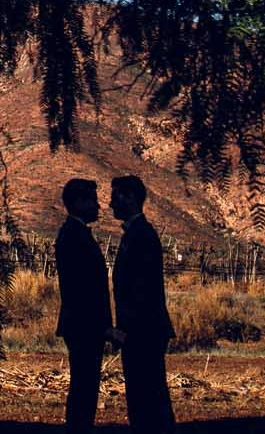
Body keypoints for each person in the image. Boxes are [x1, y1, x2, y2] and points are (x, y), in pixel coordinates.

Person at [108, 174, 175, 432]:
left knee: (147, 396)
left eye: (116, 197)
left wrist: (127, 329)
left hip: (142, 331)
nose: (111, 204)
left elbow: (141, 291)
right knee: (147, 395)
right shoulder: (137, 234)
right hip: (142, 330)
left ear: (131, 198)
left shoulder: (141, 236)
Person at [53, 177, 112, 431]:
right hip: (84, 326)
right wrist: (103, 327)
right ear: (78, 203)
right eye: (93, 201)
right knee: (84, 388)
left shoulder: (74, 234)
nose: (98, 207)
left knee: (85, 387)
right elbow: (82, 292)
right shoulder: (73, 236)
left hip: (83, 325)